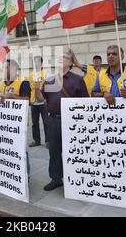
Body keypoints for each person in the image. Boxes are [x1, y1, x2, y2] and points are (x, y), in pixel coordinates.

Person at [33, 51, 89, 191]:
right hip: (53, 120)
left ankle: (76, 178)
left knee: (74, 150)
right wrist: (37, 89)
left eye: (64, 58)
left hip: (72, 121)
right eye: (59, 57)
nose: (60, 59)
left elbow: (86, 102)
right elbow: (41, 99)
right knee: (54, 150)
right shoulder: (51, 80)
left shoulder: (78, 80)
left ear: (70, 63)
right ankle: (56, 178)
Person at [28, 56, 49, 148]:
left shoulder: (45, 74)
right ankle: (37, 140)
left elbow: (47, 87)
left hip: (43, 101)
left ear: (41, 63)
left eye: (37, 62)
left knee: (46, 122)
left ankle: (48, 141)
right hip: (33, 102)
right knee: (34, 123)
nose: (36, 63)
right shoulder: (30, 75)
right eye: (34, 62)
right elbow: (30, 87)